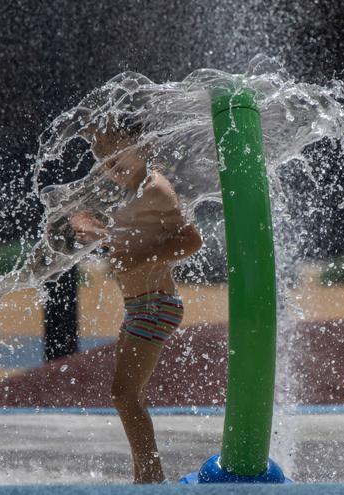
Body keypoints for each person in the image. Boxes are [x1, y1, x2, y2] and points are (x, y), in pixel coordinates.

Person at [68, 115, 202, 484]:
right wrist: (97, 233)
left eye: (117, 158)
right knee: (129, 395)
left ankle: (149, 477)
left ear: (143, 149)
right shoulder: (133, 192)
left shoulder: (155, 188)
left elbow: (191, 241)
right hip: (140, 307)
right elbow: (128, 241)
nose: (111, 168)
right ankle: (148, 474)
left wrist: (140, 256)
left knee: (123, 395)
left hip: (157, 305)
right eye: (105, 162)